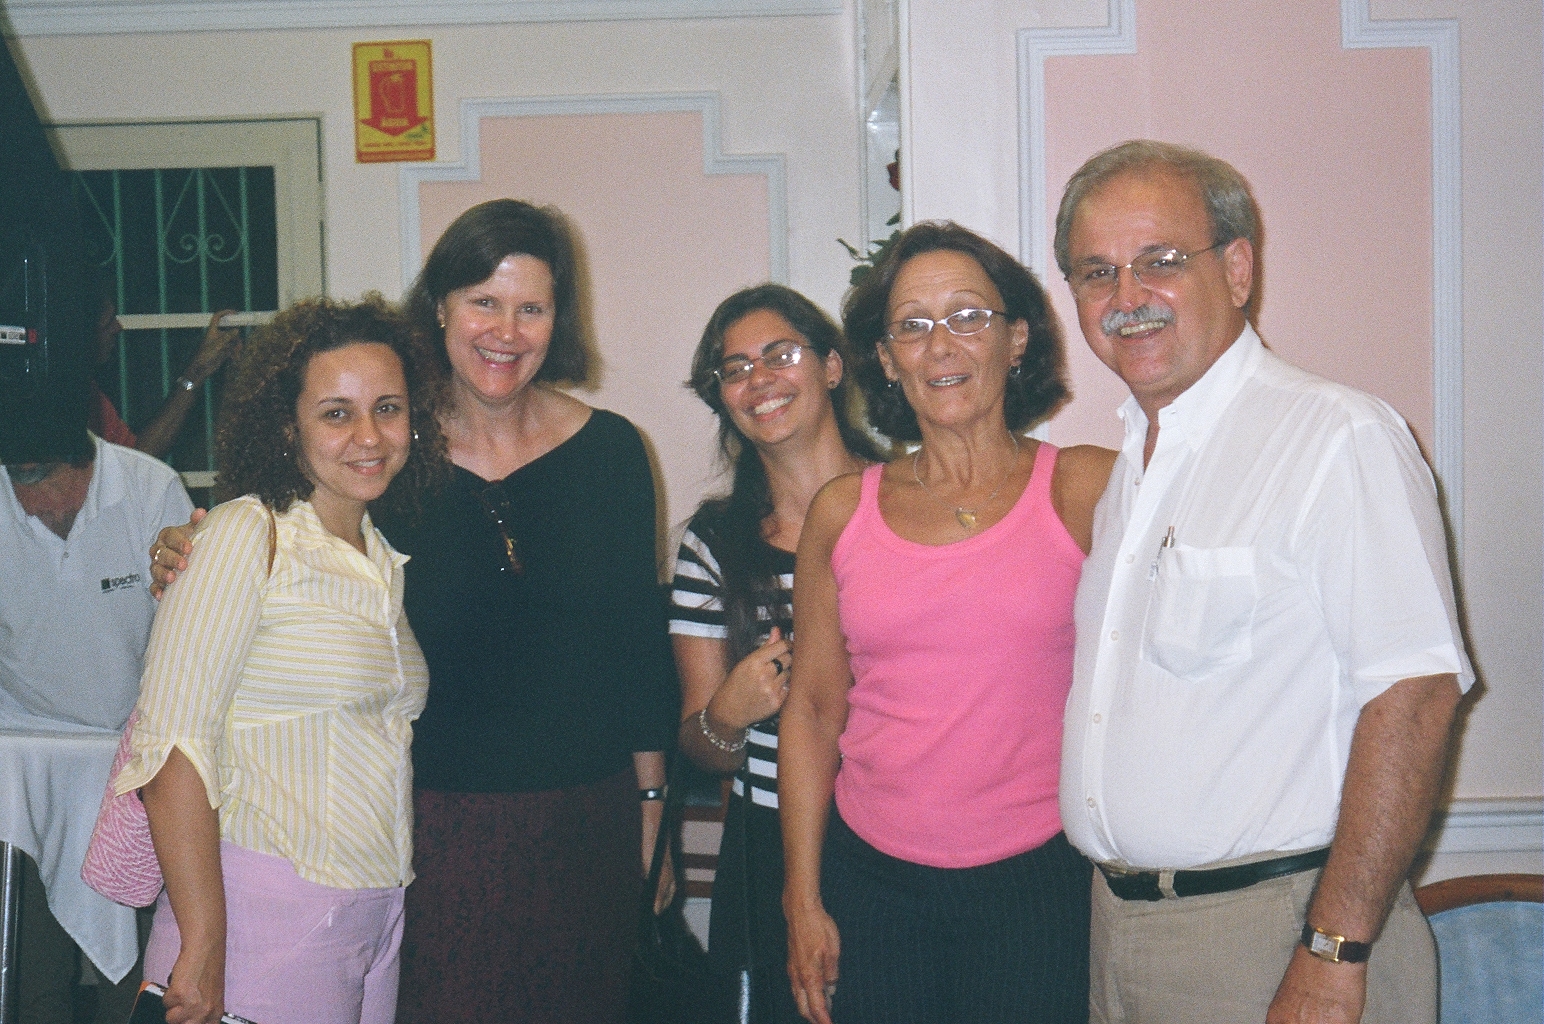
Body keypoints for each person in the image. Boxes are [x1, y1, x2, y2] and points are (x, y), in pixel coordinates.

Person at [155, 200, 679, 1021]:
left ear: (559, 319)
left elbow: (638, 654)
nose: (506, 331)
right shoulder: (384, 455)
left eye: (531, 308)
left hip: (587, 823)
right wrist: (190, 542)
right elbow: (285, 537)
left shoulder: (612, 452)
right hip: (428, 836)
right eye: (483, 301)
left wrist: (652, 816)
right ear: (439, 307)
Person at [1051, 140, 1472, 1024]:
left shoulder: (1334, 437)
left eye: (1161, 261)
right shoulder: (1131, 470)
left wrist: (1334, 950)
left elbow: (1417, 696)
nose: (1126, 297)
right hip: (1118, 932)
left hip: (1281, 937)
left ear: (1238, 269)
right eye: (1096, 273)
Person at [779, 221, 1116, 1024]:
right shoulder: (840, 512)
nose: (941, 346)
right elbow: (814, 709)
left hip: (1040, 882)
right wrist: (802, 896)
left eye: (968, 316)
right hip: (873, 884)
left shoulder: (1087, 487)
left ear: (1016, 338)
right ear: (886, 359)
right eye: (913, 325)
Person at [115, 295, 442, 1024]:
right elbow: (170, 753)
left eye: (388, 408)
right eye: (336, 413)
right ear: (287, 426)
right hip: (261, 920)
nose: (369, 435)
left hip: (373, 913)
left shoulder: (380, 557)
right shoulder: (245, 534)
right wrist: (203, 943)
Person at [670, 284, 881, 1023]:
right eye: (735, 368)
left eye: (780, 355)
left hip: (897, 832)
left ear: (832, 366)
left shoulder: (905, 503)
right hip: (768, 842)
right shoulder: (714, 544)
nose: (758, 379)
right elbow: (700, 746)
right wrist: (728, 714)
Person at [0, 374, 192, 1024]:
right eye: (15, 477)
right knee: (31, 973)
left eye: (39, 477)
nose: (27, 501)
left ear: (83, 460)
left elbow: (189, 641)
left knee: (137, 968)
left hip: (132, 759)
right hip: (21, 762)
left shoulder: (148, 490)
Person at [91, 276, 241, 458]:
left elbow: (137, 456)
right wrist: (196, 373)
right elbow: (135, 459)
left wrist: (196, 372)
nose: (118, 327)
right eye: (108, 323)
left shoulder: (89, 393)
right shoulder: (68, 396)